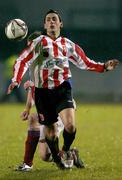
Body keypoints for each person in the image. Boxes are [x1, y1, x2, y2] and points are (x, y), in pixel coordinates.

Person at [7, 9, 119, 169]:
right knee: (49, 137)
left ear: (60, 23)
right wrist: (15, 80)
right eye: (48, 20)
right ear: (45, 25)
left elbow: (84, 62)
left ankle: (65, 151)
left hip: (62, 89)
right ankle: (59, 159)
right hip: (43, 93)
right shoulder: (38, 42)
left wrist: (103, 67)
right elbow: (22, 60)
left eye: (54, 19)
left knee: (71, 126)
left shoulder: (68, 44)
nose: (51, 21)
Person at [16, 80, 82, 171]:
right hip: (46, 109)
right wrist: (27, 108)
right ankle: (69, 155)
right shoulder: (36, 70)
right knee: (45, 156)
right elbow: (33, 92)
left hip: (60, 107)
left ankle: (28, 163)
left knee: (39, 124)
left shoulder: (55, 69)